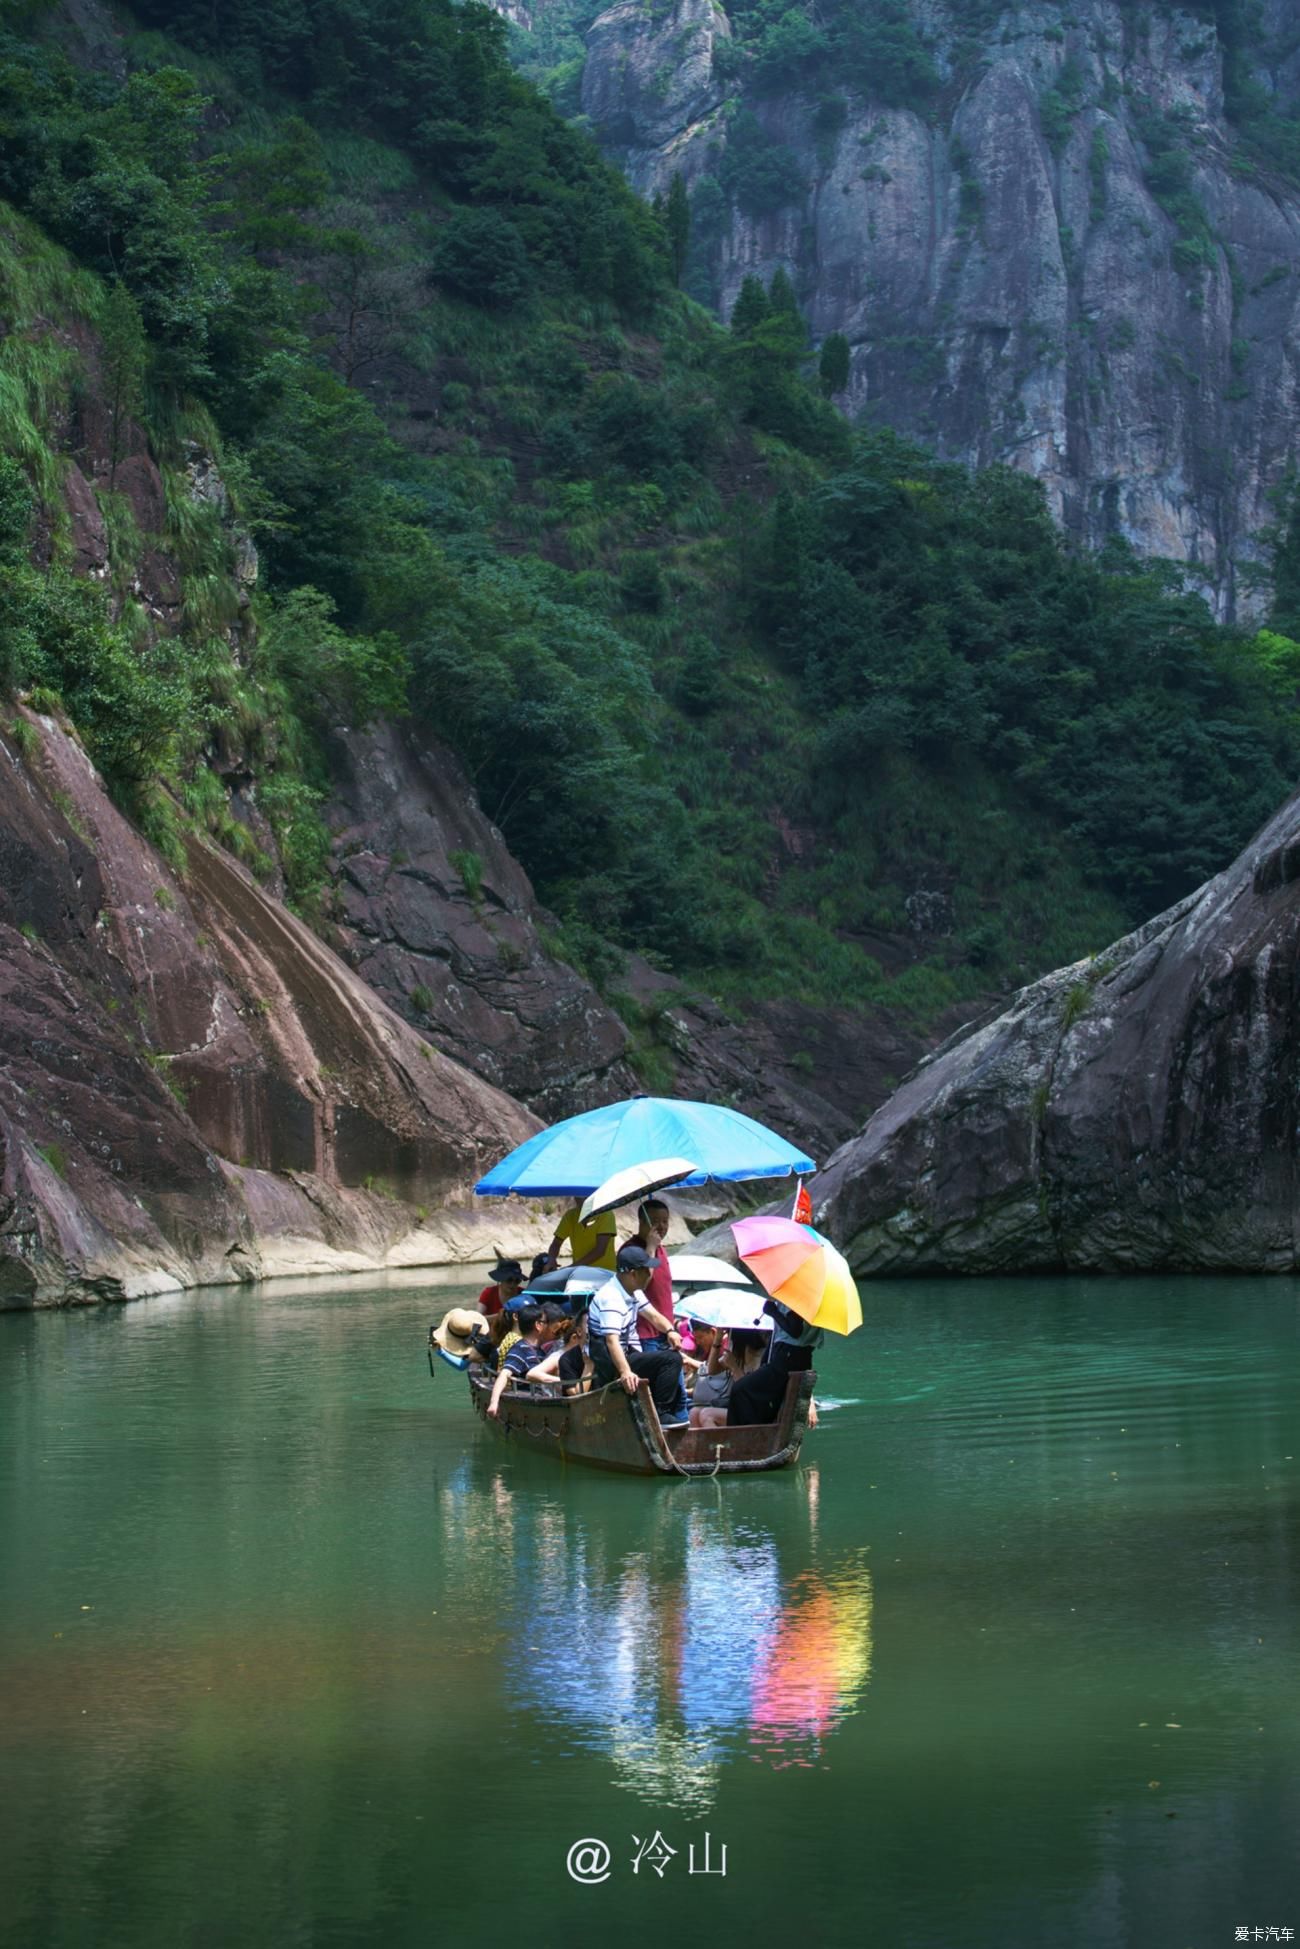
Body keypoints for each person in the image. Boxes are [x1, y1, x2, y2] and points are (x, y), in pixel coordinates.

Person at [588, 1243, 687, 1425]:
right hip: (610, 1362)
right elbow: (611, 1341)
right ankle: (661, 1414)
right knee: (670, 1360)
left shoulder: (633, 1291)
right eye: (646, 1270)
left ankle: (659, 1412)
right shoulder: (612, 1298)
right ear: (633, 1273)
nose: (651, 1274)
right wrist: (626, 1372)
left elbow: (654, 1316)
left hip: (627, 1353)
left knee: (669, 1359)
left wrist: (671, 1331)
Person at [726, 1298, 823, 1427]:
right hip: (796, 1357)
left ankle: (740, 1435)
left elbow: (795, 1330)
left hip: (787, 1357)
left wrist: (773, 1312)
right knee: (766, 1399)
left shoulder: (797, 1297)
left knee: (740, 1389)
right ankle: (757, 1430)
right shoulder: (814, 1301)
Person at [690, 1327, 768, 1428]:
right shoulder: (738, 1355)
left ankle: (718, 1444)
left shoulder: (762, 1357)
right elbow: (712, 1370)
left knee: (707, 1415)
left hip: (753, 1411)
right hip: (736, 1407)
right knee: (694, 1413)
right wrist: (717, 1339)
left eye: (732, 1341)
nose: (730, 1344)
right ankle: (702, 1444)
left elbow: (749, 1393)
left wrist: (734, 1367)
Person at [486, 1304, 552, 1418]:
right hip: (532, 1406)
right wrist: (494, 1403)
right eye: (546, 1322)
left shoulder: (540, 1350)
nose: (548, 1325)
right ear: (538, 1325)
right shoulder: (520, 1349)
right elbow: (504, 1374)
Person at [545, 1199, 617, 1273]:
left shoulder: (606, 1214)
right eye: (577, 1195)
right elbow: (556, 1244)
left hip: (605, 1273)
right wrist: (551, 1259)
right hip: (579, 1274)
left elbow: (600, 1250)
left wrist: (571, 1268)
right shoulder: (570, 1216)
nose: (580, 1198)